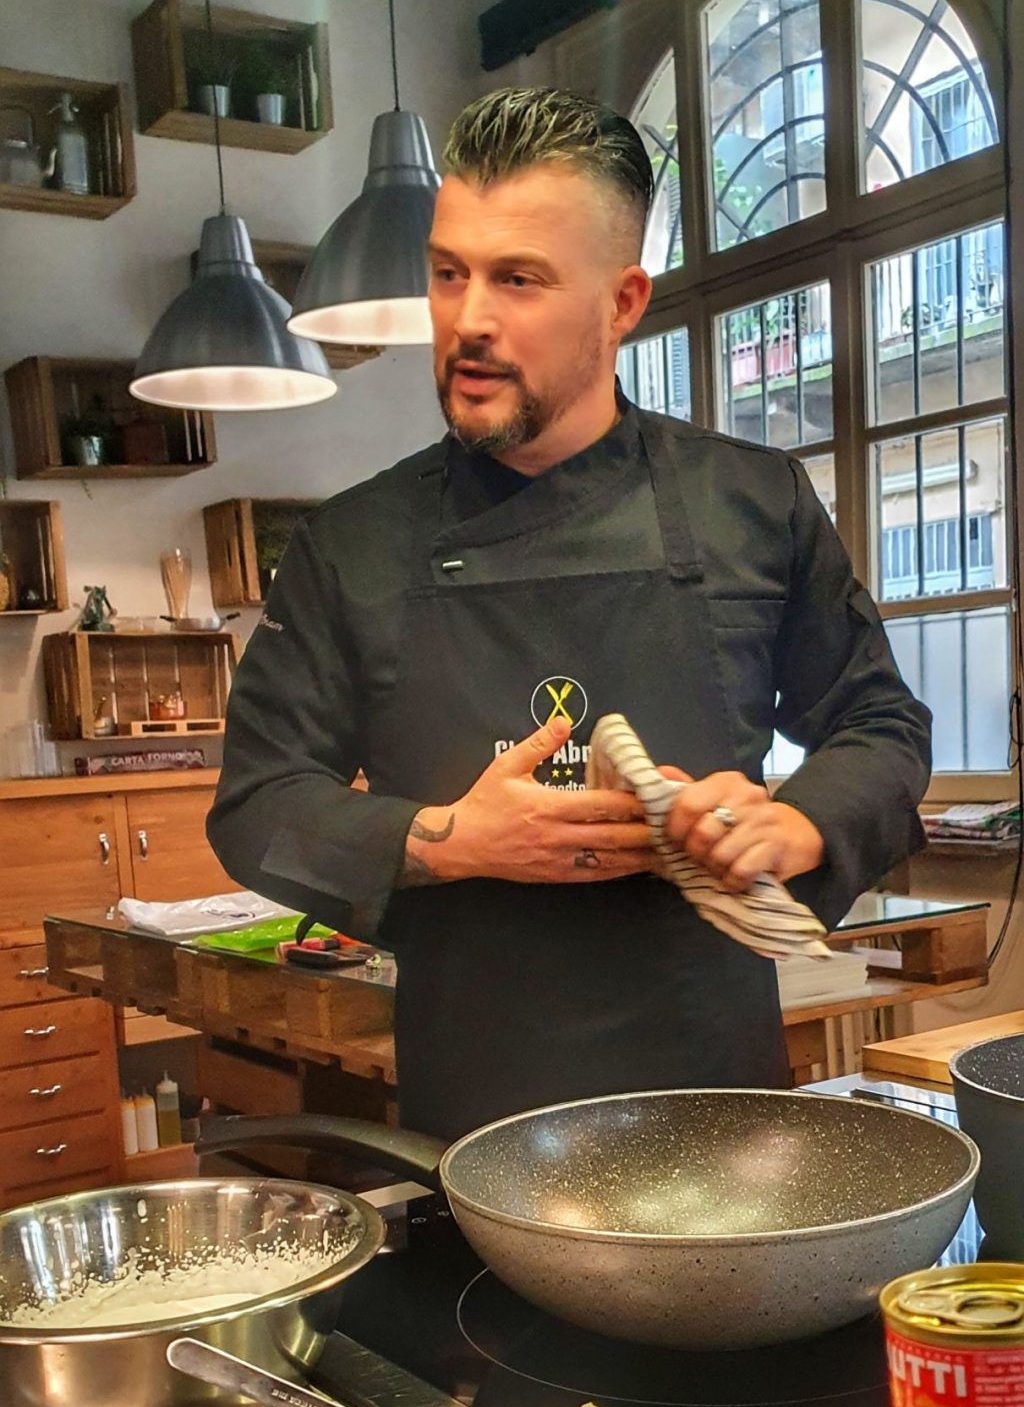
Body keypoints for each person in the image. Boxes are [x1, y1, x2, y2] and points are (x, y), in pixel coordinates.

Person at [209, 86, 931, 1141]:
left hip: (717, 1093)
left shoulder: (751, 503)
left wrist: (793, 822)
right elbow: (256, 804)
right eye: (448, 273)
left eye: (519, 280)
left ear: (623, 302)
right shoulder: (349, 547)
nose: (469, 320)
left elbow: (880, 725)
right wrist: (446, 837)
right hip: (475, 1109)